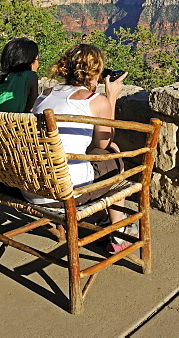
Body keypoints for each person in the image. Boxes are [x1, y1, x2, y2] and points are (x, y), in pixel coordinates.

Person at [28, 43, 134, 251]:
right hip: (65, 194)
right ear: (96, 72)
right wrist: (110, 97)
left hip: (32, 189)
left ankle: (104, 221)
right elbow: (103, 142)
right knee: (113, 154)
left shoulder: (45, 95)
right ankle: (117, 233)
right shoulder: (95, 101)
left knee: (95, 155)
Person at [0, 37, 39, 112]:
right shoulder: (30, 77)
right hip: (13, 123)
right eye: (37, 59)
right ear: (30, 61)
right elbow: (31, 110)